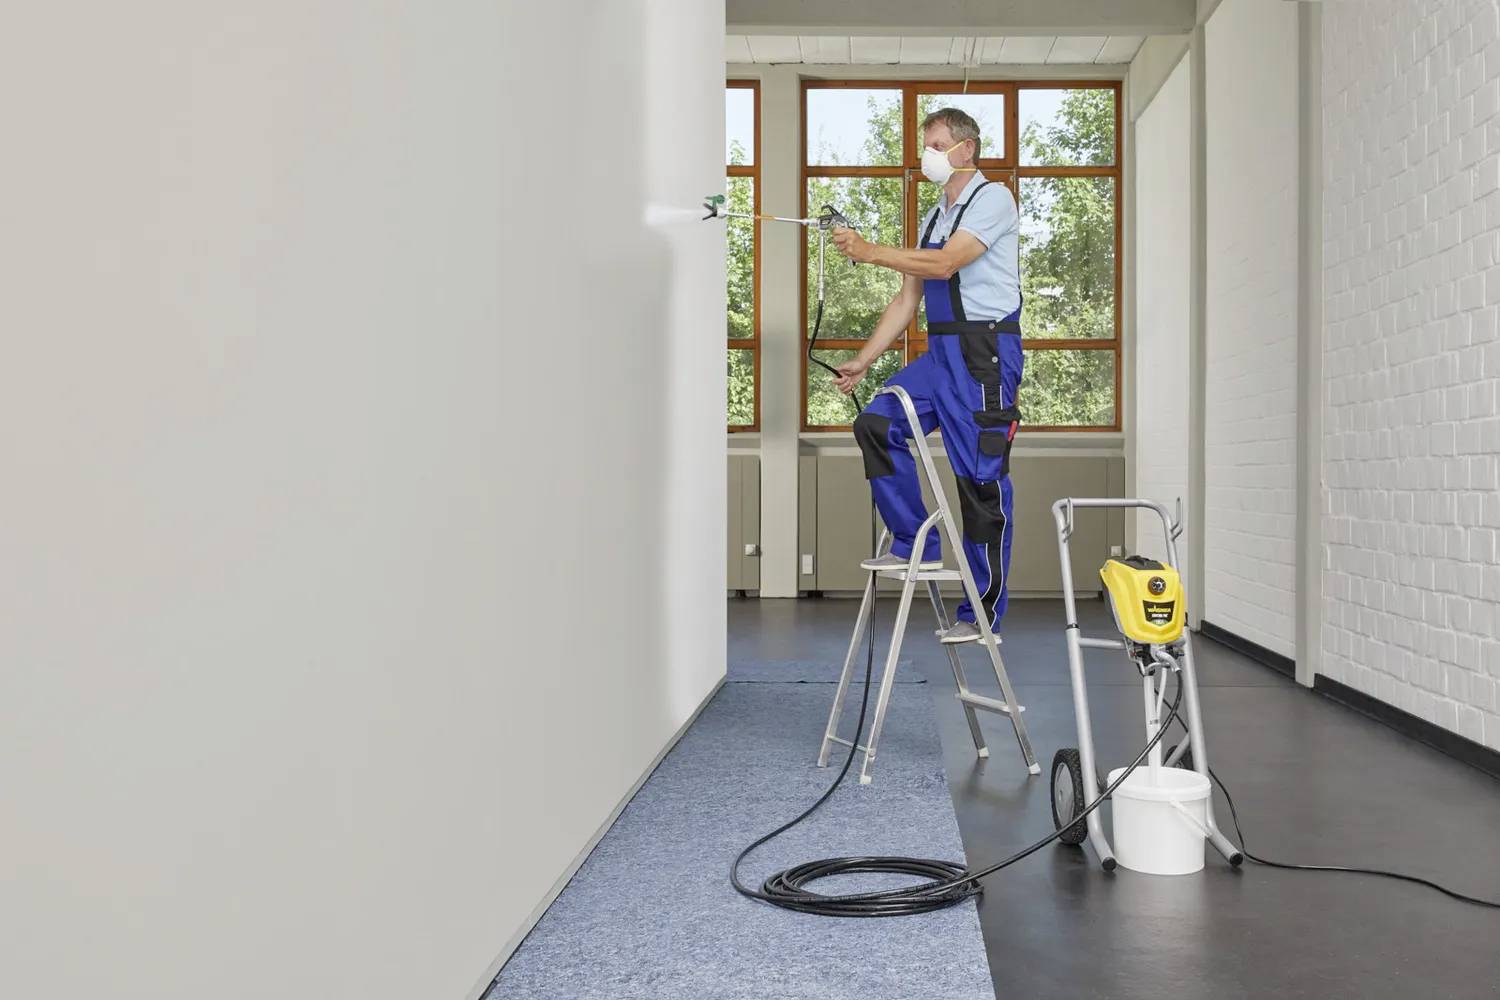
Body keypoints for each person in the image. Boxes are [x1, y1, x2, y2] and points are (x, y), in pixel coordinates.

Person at [829, 107, 1022, 644]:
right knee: (875, 424)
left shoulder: (994, 199)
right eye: (925, 146)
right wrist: (866, 359)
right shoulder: (936, 215)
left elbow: (943, 266)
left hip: (985, 353)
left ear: (966, 149)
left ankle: (981, 616)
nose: (927, 156)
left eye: (936, 145)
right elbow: (908, 297)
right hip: (940, 355)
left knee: (981, 483)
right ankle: (916, 540)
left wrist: (868, 251)